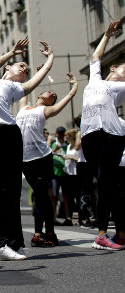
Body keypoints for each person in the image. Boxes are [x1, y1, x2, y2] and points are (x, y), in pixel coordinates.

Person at [0, 38, 53, 261]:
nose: (25, 69)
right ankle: (9, 244)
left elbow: (33, 83)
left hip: (8, 135)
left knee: (10, 191)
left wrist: (49, 61)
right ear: (8, 68)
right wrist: (12, 52)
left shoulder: (13, 87)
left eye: (26, 70)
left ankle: (7, 244)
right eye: (22, 65)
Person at [16, 73, 77, 247]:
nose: (50, 93)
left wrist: (73, 87)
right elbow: (26, 88)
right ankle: (50, 232)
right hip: (24, 159)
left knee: (40, 195)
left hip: (42, 157)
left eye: (53, 96)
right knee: (41, 196)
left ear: (51, 102)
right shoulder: (24, 107)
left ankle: (39, 233)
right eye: (48, 92)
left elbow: (67, 100)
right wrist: (36, 74)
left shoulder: (46, 110)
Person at [80, 20, 125, 250]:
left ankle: (102, 234)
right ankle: (121, 232)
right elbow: (95, 57)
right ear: (113, 69)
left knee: (107, 183)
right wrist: (107, 35)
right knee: (108, 184)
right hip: (89, 135)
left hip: (111, 135)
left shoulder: (123, 87)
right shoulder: (95, 80)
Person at [50, 127, 73, 225]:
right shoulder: (53, 144)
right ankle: (53, 218)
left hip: (66, 173)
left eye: (62, 133)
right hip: (55, 173)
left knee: (67, 196)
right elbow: (47, 155)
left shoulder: (67, 145)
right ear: (56, 134)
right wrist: (55, 149)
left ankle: (68, 217)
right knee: (54, 197)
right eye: (59, 133)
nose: (61, 135)